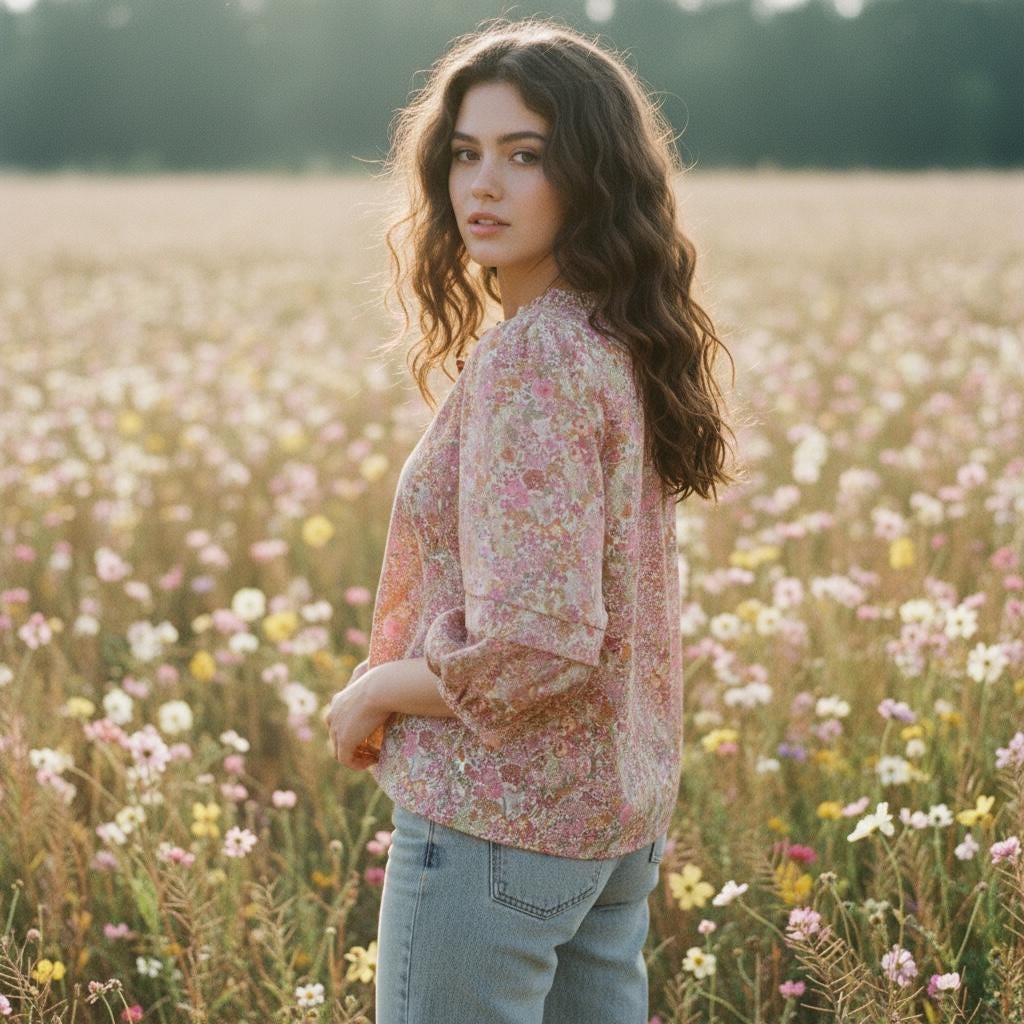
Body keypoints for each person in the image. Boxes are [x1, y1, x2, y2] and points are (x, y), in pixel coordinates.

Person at [323, 15, 737, 1023]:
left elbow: (538, 641)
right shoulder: (611, 335)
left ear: (589, 174)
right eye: (464, 154)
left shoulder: (534, 361)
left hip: (494, 824)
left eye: (525, 155)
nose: (483, 186)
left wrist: (378, 688)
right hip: (603, 823)